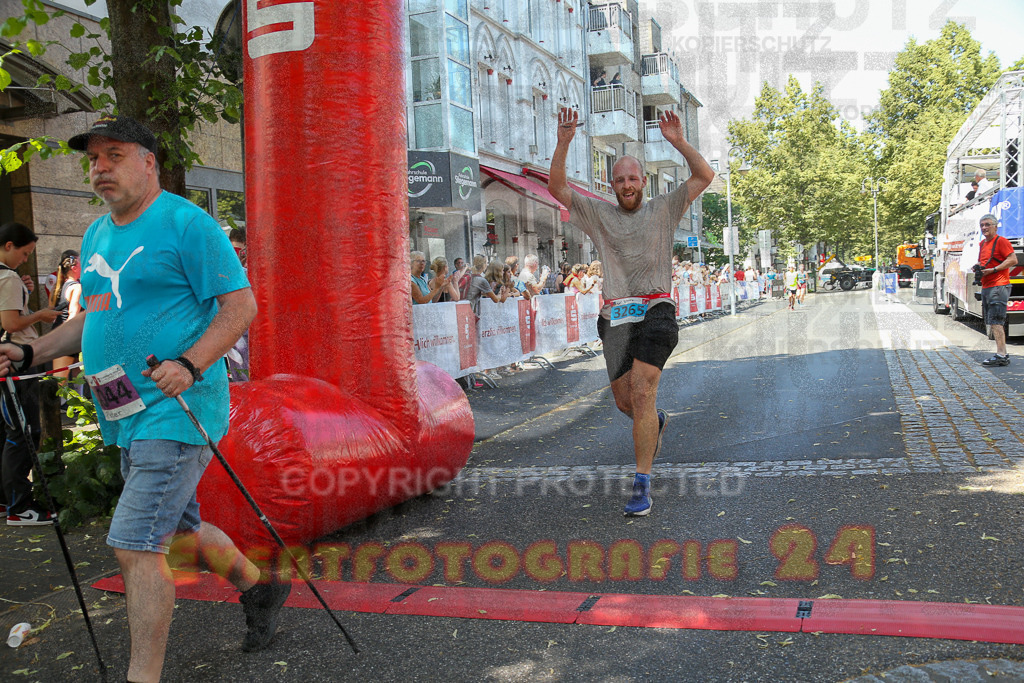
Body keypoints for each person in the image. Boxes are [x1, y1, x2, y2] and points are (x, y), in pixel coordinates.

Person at [0, 116, 289, 681]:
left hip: (177, 408)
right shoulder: (97, 234)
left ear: (149, 161)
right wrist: (29, 354)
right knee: (179, 529)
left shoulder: (188, 223)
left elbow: (241, 306)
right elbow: (93, 315)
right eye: (92, 160)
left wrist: (190, 362)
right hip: (124, 409)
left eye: (113, 155)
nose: (99, 168)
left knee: (135, 543)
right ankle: (260, 588)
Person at [548, 107, 714, 516]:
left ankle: (641, 485)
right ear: (612, 184)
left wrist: (677, 141)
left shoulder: (664, 208)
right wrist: (565, 141)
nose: (626, 185)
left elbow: (704, 176)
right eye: (619, 180)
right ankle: (654, 422)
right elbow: (557, 188)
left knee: (642, 391)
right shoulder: (598, 212)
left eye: (633, 178)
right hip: (614, 316)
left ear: (643, 182)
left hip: (657, 307)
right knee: (627, 403)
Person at [0, 222, 60, 526]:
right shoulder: (7, 278)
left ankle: (7, 499)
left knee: (9, 431)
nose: (26, 260)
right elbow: (11, 324)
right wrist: (40, 314)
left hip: (7, 361)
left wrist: (23, 292)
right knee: (23, 433)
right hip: (16, 360)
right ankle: (19, 506)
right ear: (9, 245)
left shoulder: (8, 278)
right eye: (25, 253)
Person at [977, 213, 1018, 366]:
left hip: (998, 285)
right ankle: (1001, 353)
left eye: (987, 224)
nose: (984, 228)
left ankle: (1001, 355)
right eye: (982, 225)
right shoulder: (982, 244)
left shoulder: (1001, 241)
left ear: (995, 226)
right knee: (992, 322)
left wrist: (994, 270)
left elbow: (1013, 259)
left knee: (996, 321)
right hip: (988, 286)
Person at [48, 249, 83, 381]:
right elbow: (72, 315)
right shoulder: (77, 287)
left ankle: (77, 401)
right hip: (67, 336)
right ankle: (62, 402)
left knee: (76, 373)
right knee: (59, 379)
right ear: (74, 268)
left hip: (59, 333)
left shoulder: (57, 288)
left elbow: (50, 314)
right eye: (81, 263)